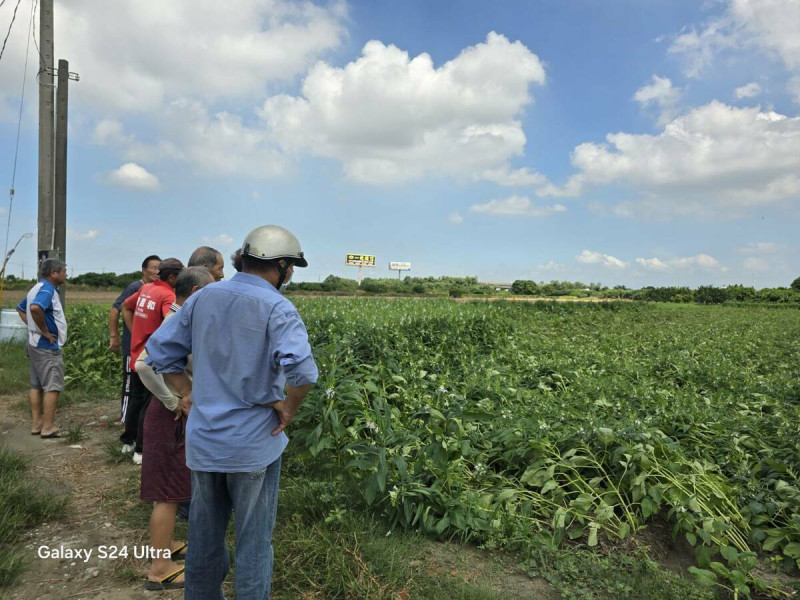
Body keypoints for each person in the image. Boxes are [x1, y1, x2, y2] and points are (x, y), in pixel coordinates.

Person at [146, 225, 318, 600]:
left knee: (204, 539)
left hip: (205, 442)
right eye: (291, 268)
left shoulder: (203, 297)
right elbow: (303, 372)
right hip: (254, 444)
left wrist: (186, 392)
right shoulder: (277, 306)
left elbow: (160, 352)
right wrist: (288, 408)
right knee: (254, 545)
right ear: (283, 265)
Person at [135, 266, 214, 591]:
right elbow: (143, 363)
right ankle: (160, 569)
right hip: (168, 419)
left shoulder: (182, 317)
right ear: (196, 294)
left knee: (171, 488)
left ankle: (165, 547)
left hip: (171, 417)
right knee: (167, 495)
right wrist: (176, 399)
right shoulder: (176, 321)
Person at [120, 258, 184, 465]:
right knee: (149, 404)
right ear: (173, 277)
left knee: (135, 400)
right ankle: (140, 449)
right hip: (152, 358)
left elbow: (125, 307)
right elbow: (174, 325)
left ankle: (127, 441)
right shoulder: (168, 296)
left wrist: (135, 332)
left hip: (137, 352)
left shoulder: (147, 288)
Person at [16, 258, 68, 438]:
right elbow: (35, 308)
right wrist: (44, 331)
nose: (66, 274)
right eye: (63, 271)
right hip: (46, 346)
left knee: (36, 385)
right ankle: (48, 427)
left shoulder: (36, 287)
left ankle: (37, 423)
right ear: (53, 273)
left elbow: (21, 308)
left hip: (34, 342)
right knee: (52, 386)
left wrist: (33, 328)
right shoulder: (47, 290)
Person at [108, 255, 161, 427]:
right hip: (132, 345)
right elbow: (116, 310)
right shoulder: (135, 287)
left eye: (158, 268)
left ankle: (137, 420)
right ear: (143, 270)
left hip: (145, 347)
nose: (156, 271)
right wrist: (114, 335)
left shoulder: (153, 289)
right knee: (130, 385)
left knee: (141, 388)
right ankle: (125, 420)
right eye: (152, 267)